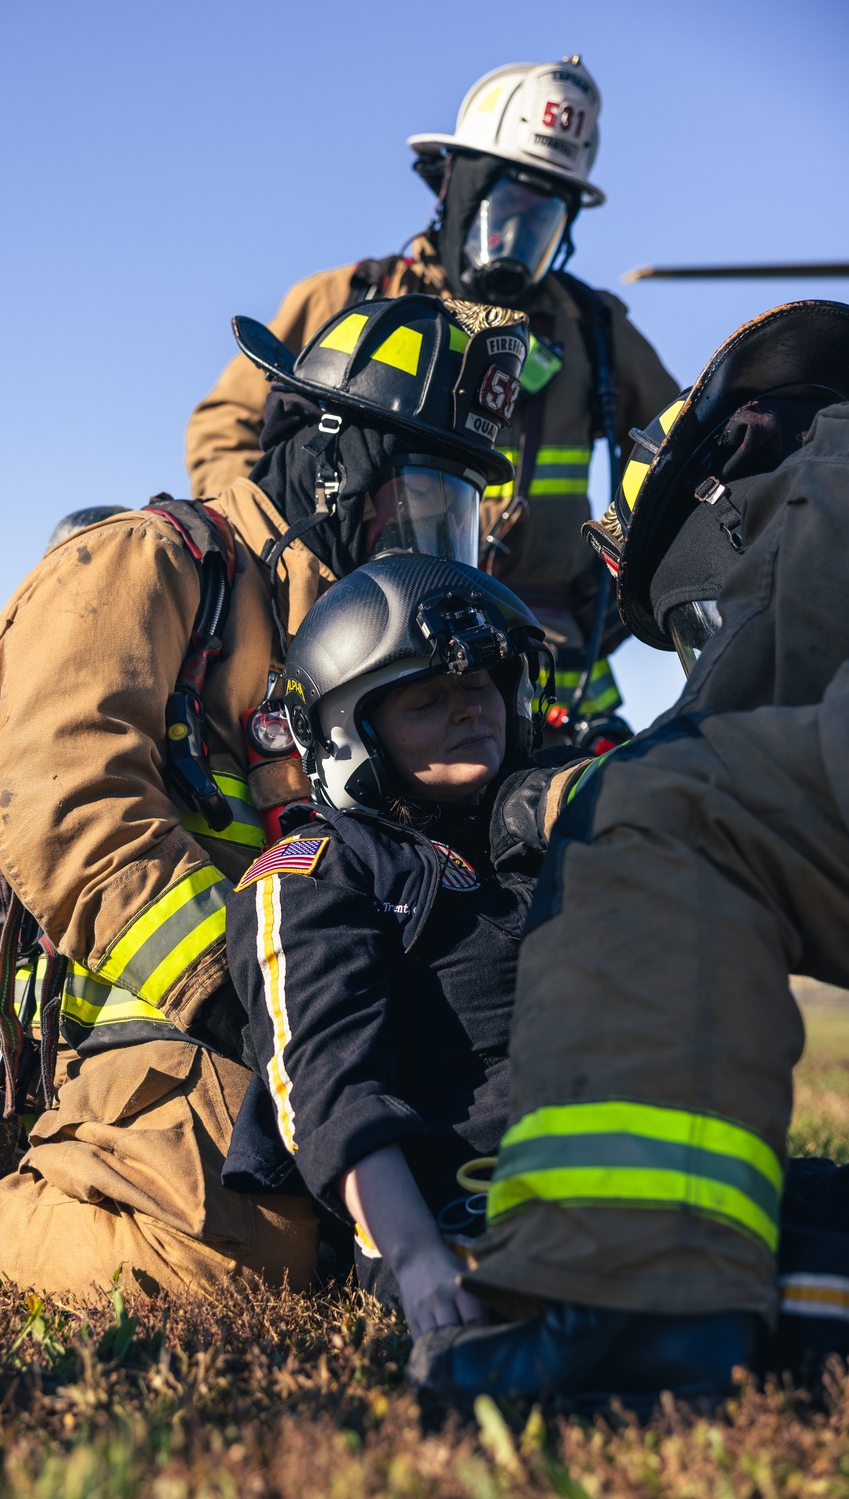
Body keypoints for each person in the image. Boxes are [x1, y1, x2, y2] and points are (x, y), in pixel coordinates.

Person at [0, 295, 528, 1301]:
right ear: (335, 465)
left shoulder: (359, 633)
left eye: (453, 518)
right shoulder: (146, 564)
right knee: (252, 1250)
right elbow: (68, 803)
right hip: (165, 1030)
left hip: (333, 1015)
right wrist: (245, 995)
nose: (430, 545)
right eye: (419, 504)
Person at [406, 298, 849, 1415]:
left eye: (689, 619)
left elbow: (728, 731)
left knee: (656, 811)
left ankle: (632, 1308)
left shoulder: (813, 475)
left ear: (733, 458)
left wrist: (551, 801)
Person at [185, 57, 678, 720]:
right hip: (368, 645)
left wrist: (633, 579)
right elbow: (225, 429)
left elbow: (680, 446)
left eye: (544, 219)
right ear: (455, 186)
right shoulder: (350, 300)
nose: (517, 239)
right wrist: (288, 569)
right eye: (507, 208)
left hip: (547, 665)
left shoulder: (594, 331)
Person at [220, 552, 587, 1334]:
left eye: (481, 682)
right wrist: (420, 1259)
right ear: (350, 735)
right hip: (488, 1209)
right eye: (426, 697)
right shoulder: (321, 872)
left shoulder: (541, 837)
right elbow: (331, 1088)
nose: (469, 709)